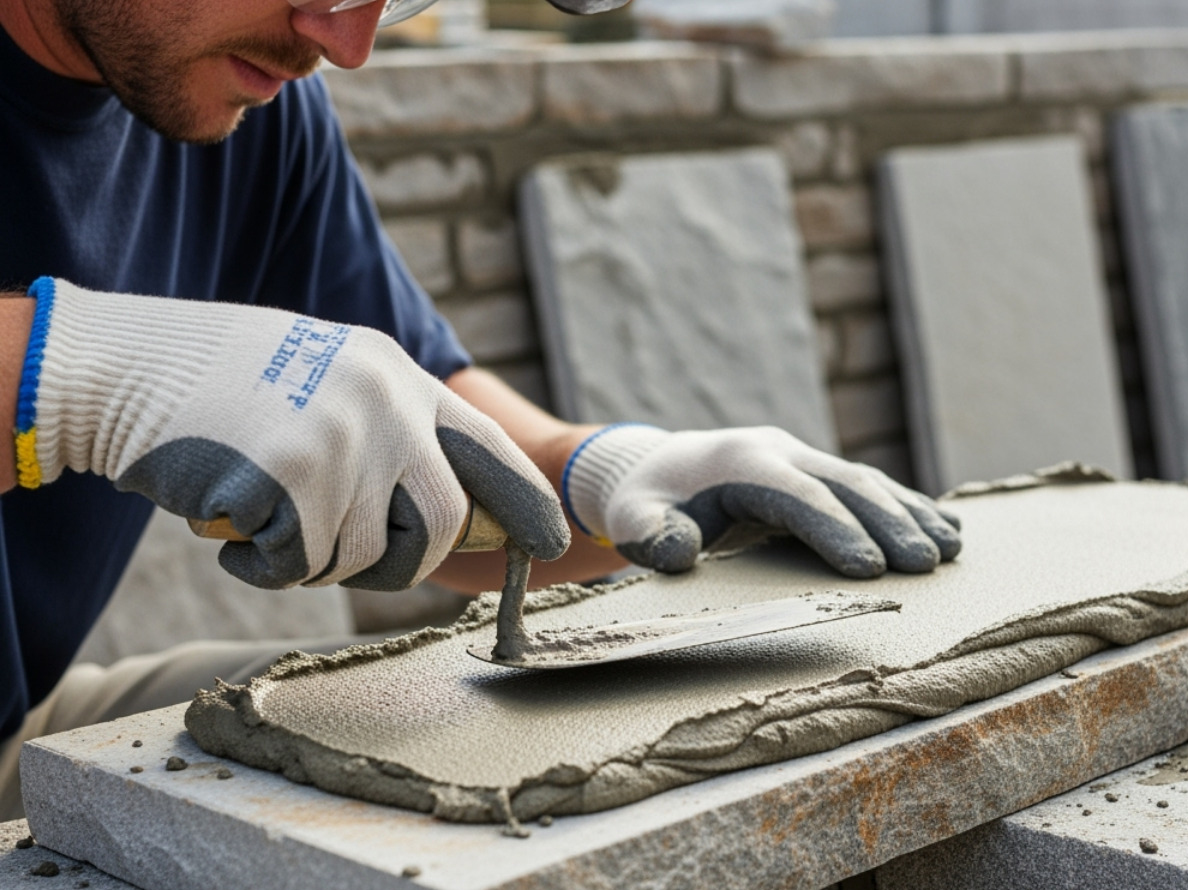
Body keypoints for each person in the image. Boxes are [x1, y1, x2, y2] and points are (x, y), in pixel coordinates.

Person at [0, 0, 961, 817]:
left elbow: (448, 454)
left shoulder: (255, 118)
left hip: (21, 721)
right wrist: (79, 370)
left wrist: (610, 478)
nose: (345, 41)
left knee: (440, 729)